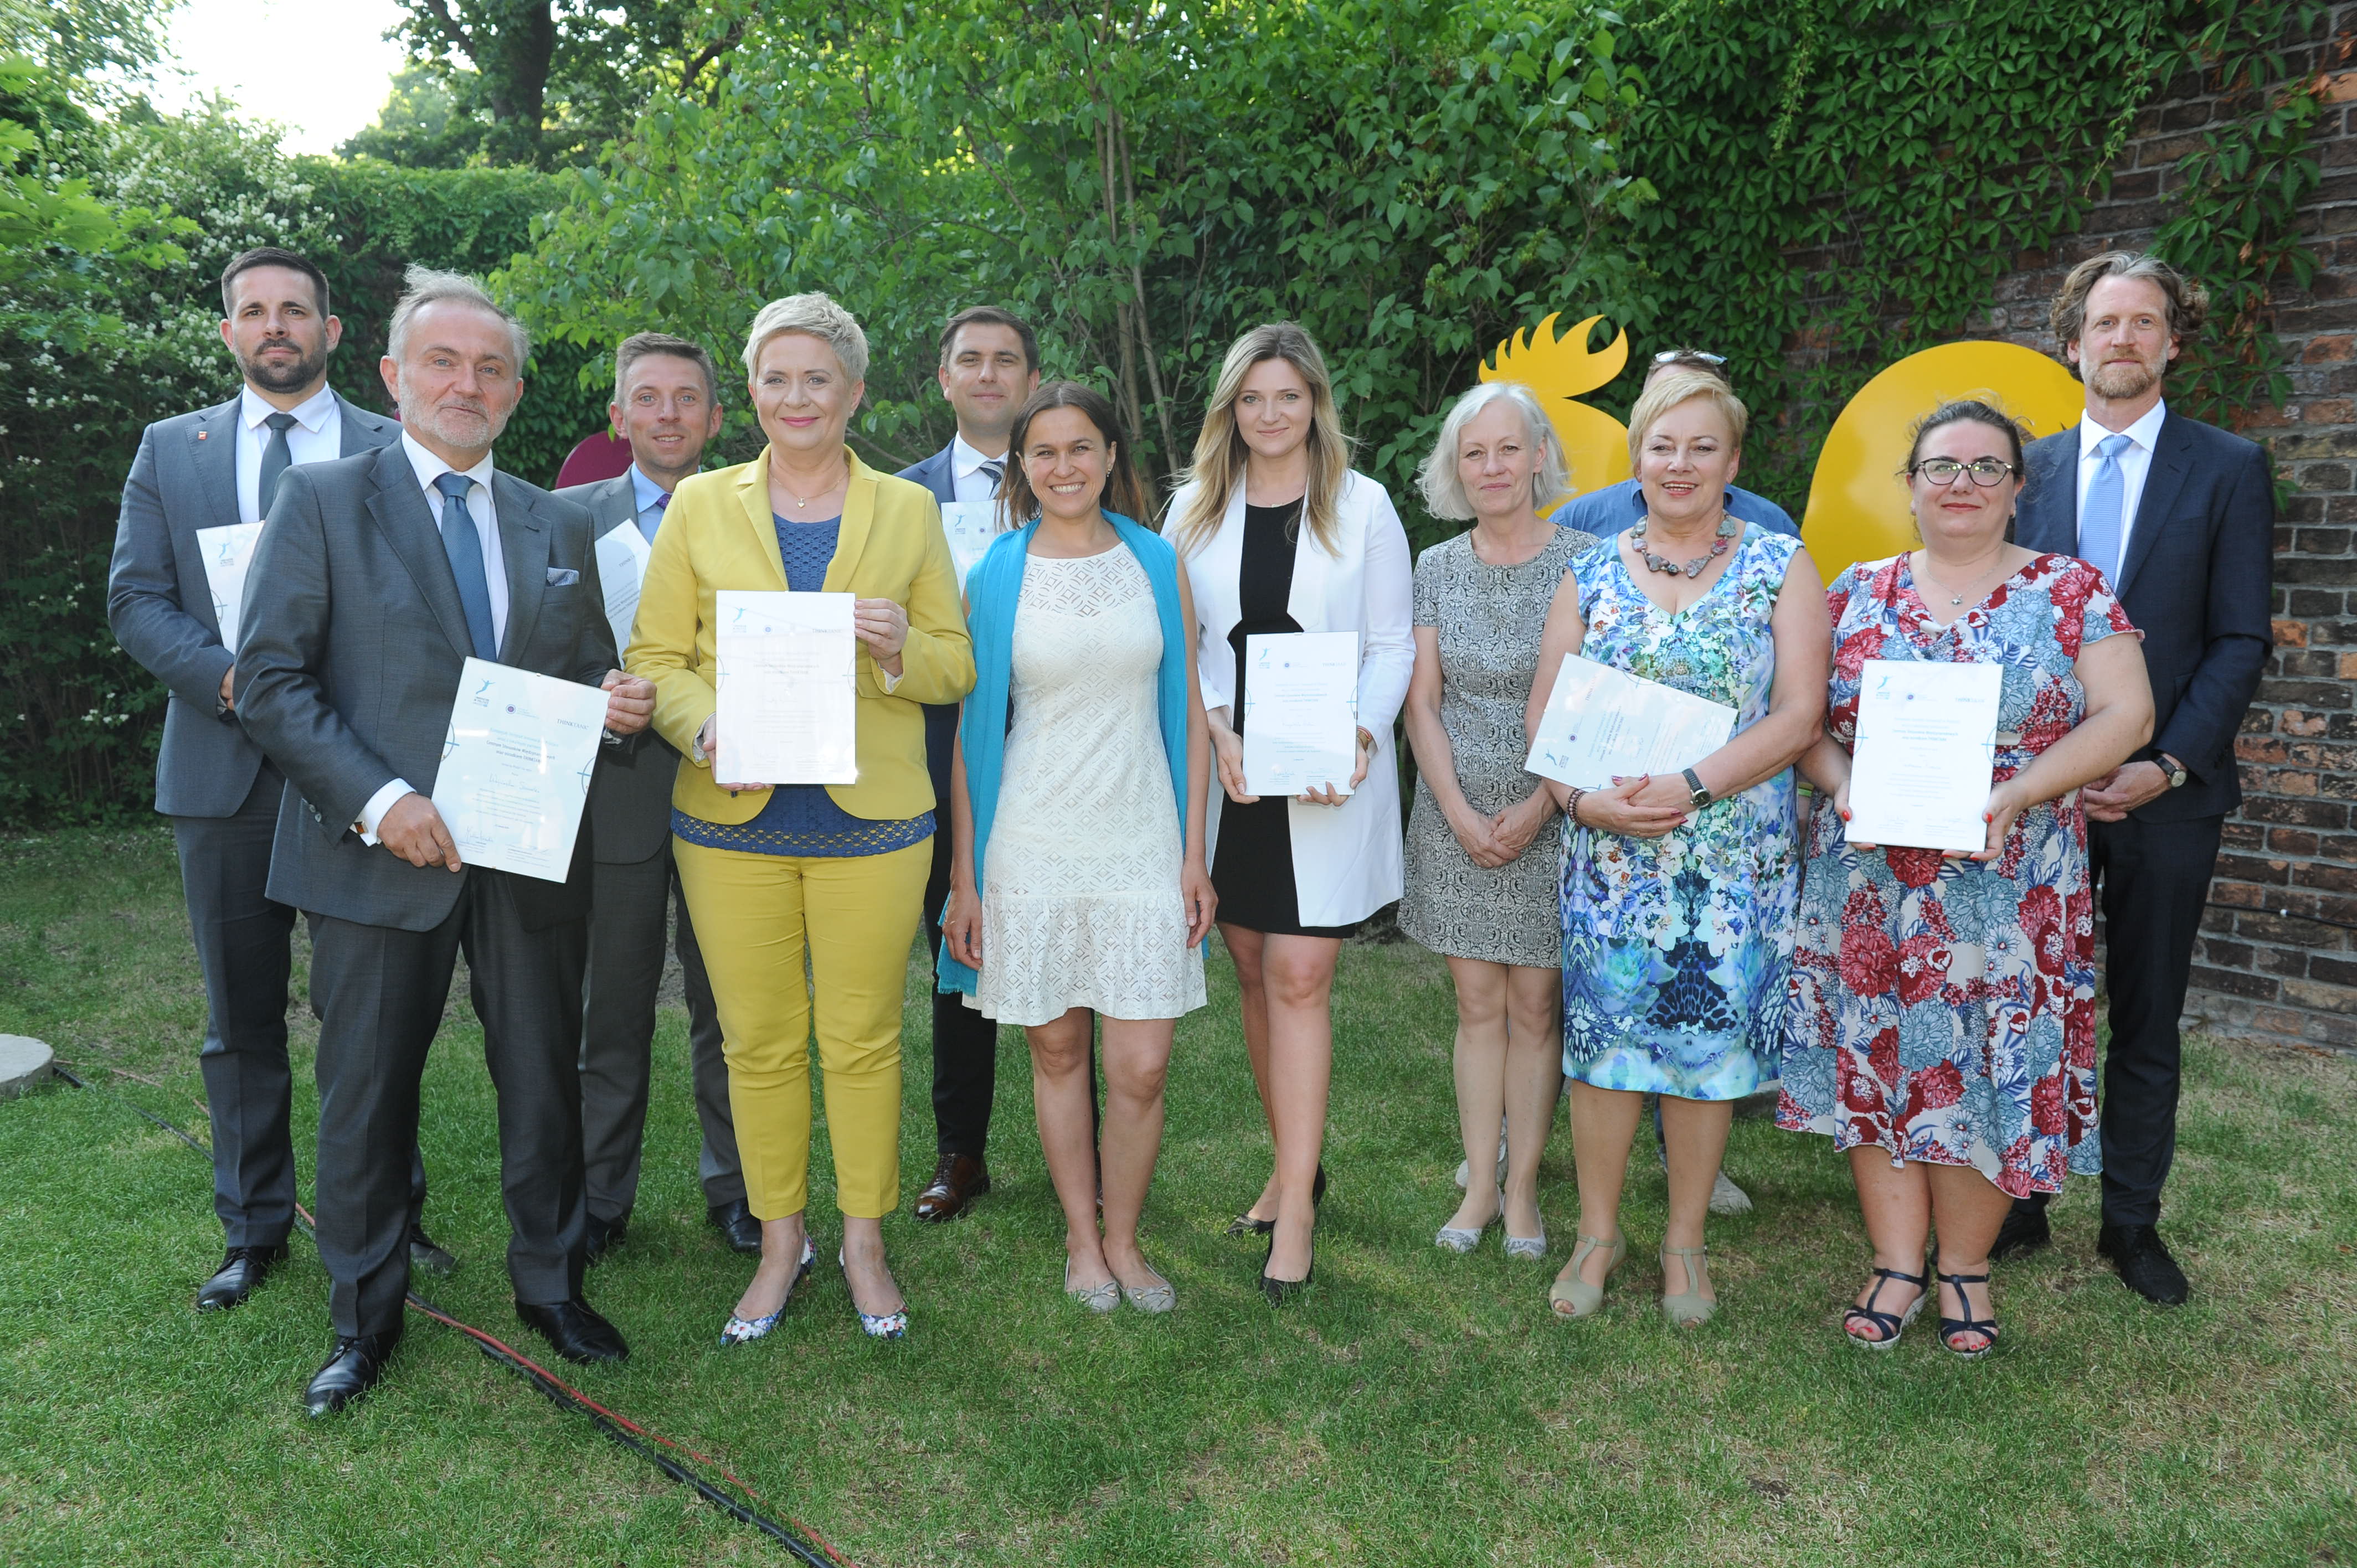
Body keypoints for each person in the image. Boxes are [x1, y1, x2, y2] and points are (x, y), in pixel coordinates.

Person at [235, 266, 657, 1414]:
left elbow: (571, 677)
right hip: (375, 857)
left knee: (540, 1080)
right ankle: (363, 1321)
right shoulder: (323, 500)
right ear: (392, 375)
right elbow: (270, 683)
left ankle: (551, 1285)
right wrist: (380, 801)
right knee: (366, 1093)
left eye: (489, 367)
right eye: (443, 361)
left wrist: (608, 705)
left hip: (523, 857)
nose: (466, 384)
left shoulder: (558, 517)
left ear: (516, 390)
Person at [105, 246, 456, 1317]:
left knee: (376, 1018)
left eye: (294, 310)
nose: (274, 327)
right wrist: (242, 686)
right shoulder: (174, 450)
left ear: (333, 330)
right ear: (227, 333)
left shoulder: (399, 449)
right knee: (239, 1018)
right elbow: (135, 599)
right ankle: (255, 1228)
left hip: (363, 780)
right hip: (222, 776)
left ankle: (388, 1208)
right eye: (252, 311)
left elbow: (429, 619)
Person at [628, 292, 975, 1344]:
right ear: (754, 395)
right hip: (730, 818)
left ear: (854, 392)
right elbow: (656, 662)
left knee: (863, 1040)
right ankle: (782, 1241)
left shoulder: (909, 513)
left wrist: (891, 649)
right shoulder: (698, 506)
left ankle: (863, 1238)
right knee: (759, 1043)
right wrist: (704, 728)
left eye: (816, 378)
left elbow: (954, 663)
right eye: (776, 378)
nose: (796, 397)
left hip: (873, 821)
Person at [1779, 399, 2154, 1355]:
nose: (1962, 484)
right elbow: (1802, 723)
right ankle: (1897, 1262)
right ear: (1908, 486)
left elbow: (2126, 714)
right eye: (1941, 466)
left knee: (1989, 1065)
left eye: (1988, 467)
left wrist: (2023, 789)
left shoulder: (2072, 592)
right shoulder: (1853, 593)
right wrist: (1846, 785)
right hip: (1870, 885)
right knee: (1878, 1058)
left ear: (2019, 490)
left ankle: (1966, 1267)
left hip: (2012, 880)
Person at [1991, 253, 2274, 1306]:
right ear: (2071, 341)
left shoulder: (2230, 467)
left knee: (2145, 1011)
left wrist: (2162, 761)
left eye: (2144, 323)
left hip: (2167, 795)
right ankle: (2019, 1198)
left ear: (2171, 343)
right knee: (2026, 999)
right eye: (2104, 323)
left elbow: (2240, 639)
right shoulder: (2030, 472)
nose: (2123, 340)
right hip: (2040, 794)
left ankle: (2131, 1224)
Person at [1525, 367, 1828, 1325]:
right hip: (1611, 862)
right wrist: (1580, 803)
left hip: (1734, 860)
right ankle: (1596, 1233)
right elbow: (1548, 714)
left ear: (1733, 462)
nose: (1681, 463)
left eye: (1703, 447)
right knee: (1605, 1043)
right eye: (1663, 445)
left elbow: (1800, 714)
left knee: (1710, 1051)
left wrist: (1694, 784)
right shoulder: (1590, 568)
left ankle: (1685, 1242)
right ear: (1637, 459)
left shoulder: (1781, 564)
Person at [939, 382, 1215, 1311]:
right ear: (1021, 466)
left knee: (1141, 1065)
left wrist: (1193, 855)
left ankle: (1128, 1238)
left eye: (1081, 448)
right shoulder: (995, 573)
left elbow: (1187, 708)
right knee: (1057, 1052)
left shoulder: (1155, 560)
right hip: (1034, 834)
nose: (1064, 467)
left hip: (1143, 833)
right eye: (1044, 452)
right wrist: (965, 878)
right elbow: (974, 735)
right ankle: (1082, 1240)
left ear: (1110, 456)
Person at [1166, 321, 1413, 1302]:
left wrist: (1362, 731)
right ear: (1232, 407)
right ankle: (1288, 1163)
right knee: (1255, 972)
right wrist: (1219, 731)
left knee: (1302, 972)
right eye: (1253, 398)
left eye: (1289, 397)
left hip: (1326, 770)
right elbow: (1186, 642)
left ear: (1317, 404)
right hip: (1237, 773)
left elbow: (1392, 642)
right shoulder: (1194, 505)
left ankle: (1300, 1208)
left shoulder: (1364, 506)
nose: (1271, 415)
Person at [557, 332, 754, 1261]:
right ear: (619, 416)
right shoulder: (559, 517)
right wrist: (594, 691)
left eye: (687, 399)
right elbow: (534, 648)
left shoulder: (758, 512)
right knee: (615, 1003)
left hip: (737, 789)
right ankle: (601, 1197)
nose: (668, 415)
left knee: (734, 1004)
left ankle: (742, 1187)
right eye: (649, 398)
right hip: (617, 792)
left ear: (717, 417)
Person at [1399, 382, 1593, 1259]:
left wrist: (1538, 803)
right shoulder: (1433, 568)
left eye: (1508, 449)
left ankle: (1524, 1192)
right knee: (1477, 1004)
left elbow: (1593, 708)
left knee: (1537, 1006)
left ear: (1540, 456)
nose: (1492, 467)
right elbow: (1422, 707)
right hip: (1454, 812)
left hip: (1554, 811)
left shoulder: (1591, 562)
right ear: (1455, 469)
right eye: (1474, 453)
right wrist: (1457, 812)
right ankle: (1479, 1182)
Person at [896, 306, 1043, 1224]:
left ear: (1030, 380)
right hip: (937, 749)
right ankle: (962, 1148)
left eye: (1006, 360)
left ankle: (1091, 1142)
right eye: (970, 360)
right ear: (944, 379)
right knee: (959, 941)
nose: (988, 375)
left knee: (1070, 936)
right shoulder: (897, 498)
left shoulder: (1067, 479)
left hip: (1060, 745)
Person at [1546, 349, 1799, 541]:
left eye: (1702, 447)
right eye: (1661, 402)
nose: (1680, 464)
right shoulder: (1577, 524)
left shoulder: (1772, 529)